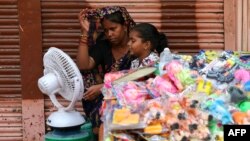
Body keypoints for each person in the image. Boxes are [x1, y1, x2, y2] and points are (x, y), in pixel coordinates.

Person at [76, 6, 136, 137]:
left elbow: (139, 78)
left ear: (125, 26)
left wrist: (104, 87)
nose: (109, 34)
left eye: (113, 29)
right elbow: (83, 65)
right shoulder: (104, 46)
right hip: (107, 98)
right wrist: (85, 33)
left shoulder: (136, 47)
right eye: (106, 30)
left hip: (132, 97)